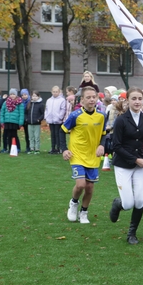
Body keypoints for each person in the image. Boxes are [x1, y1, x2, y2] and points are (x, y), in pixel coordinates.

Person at [109, 87, 143, 244]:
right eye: (134, 98)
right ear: (127, 100)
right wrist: (135, 159)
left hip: (141, 165)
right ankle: (118, 204)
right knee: (128, 203)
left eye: (139, 98)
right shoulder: (121, 120)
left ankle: (132, 233)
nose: (137, 102)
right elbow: (116, 146)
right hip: (123, 164)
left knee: (139, 201)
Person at [60, 87, 107, 224]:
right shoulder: (75, 115)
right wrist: (64, 149)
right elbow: (62, 131)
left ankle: (84, 212)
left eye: (94, 97)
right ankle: (74, 203)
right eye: (88, 97)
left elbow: (104, 134)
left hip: (93, 156)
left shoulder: (101, 116)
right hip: (77, 155)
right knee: (80, 184)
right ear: (82, 100)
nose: (92, 99)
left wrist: (102, 145)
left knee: (90, 187)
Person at [0, 88, 24, 153]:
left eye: (13, 94)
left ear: (16, 95)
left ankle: (17, 148)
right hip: (7, 121)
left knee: (14, 135)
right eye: (11, 94)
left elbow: (21, 113)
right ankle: (10, 148)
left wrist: (20, 122)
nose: (12, 95)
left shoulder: (19, 103)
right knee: (8, 135)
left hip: (15, 122)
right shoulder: (6, 102)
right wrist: (2, 121)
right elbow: (2, 112)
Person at [45, 86, 66, 154]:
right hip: (51, 120)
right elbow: (47, 109)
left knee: (57, 134)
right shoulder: (49, 100)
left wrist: (60, 117)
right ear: (51, 92)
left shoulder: (62, 100)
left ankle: (58, 148)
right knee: (52, 134)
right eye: (54, 92)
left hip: (58, 120)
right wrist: (47, 117)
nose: (55, 93)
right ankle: (53, 147)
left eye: (56, 92)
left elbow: (63, 109)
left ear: (59, 92)